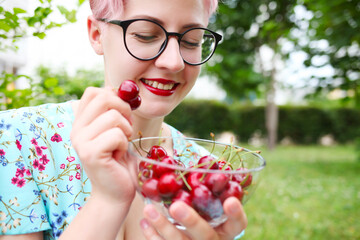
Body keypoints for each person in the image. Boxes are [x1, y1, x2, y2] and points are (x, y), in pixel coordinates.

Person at [0, 0, 248, 239]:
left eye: (191, 40)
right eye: (146, 35)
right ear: (97, 34)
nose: (174, 61)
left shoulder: (205, 175)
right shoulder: (18, 140)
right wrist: (108, 201)